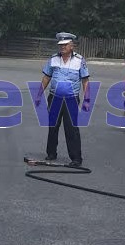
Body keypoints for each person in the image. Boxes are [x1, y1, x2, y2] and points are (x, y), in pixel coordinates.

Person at [33, 32, 90, 167]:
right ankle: (51, 153)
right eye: (61, 45)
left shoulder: (79, 61)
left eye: (65, 45)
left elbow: (85, 81)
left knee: (72, 128)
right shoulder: (53, 59)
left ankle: (76, 158)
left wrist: (87, 99)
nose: (62, 47)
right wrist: (38, 94)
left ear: (72, 46)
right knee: (53, 127)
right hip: (55, 98)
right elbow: (47, 77)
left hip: (71, 99)